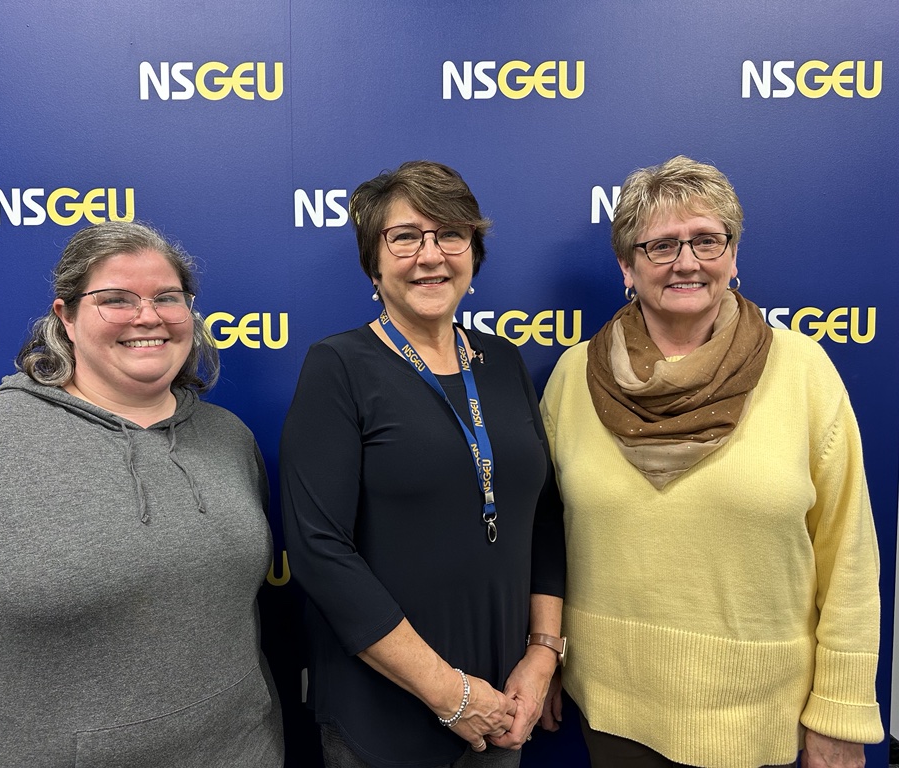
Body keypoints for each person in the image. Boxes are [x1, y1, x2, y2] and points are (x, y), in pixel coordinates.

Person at [0, 220, 284, 767]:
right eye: (115, 299)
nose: (148, 316)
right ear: (65, 318)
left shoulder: (229, 438)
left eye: (168, 297)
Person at [539, 156, 882, 768]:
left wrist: (841, 710)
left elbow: (848, 554)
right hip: (614, 708)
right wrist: (545, 653)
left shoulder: (804, 372)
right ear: (627, 265)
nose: (687, 262)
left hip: (760, 716)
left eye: (706, 239)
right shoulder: (572, 377)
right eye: (662, 245)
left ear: (732, 255)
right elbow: (544, 539)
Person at [280, 160, 565, 768]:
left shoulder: (503, 361)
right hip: (385, 708)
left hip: (502, 703)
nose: (430, 255)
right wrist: (449, 693)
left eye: (451, 235)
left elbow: (543, 517)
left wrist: (543, 656)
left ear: (473, 253)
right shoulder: (340, 366)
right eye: (405, 236)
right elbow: (318, 550)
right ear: (374, 262)